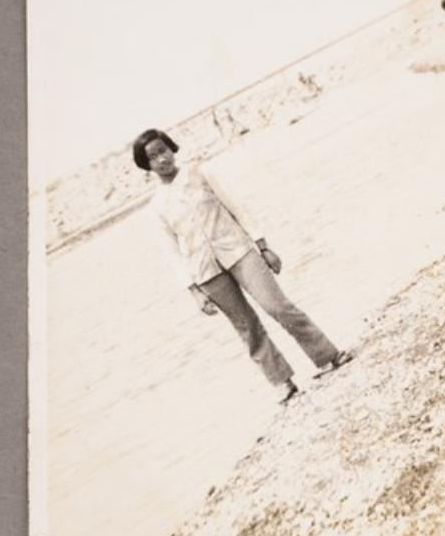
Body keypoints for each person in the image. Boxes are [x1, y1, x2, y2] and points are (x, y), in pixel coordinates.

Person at [133, 128, 352, 404]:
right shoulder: (156, 207)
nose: (162, 159)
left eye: (163, 150)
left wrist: (263, 246)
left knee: (278, 306)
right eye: (153, 157)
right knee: (247, 327)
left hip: (239, 251)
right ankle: (282, 382)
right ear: (147, 165)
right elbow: (172, 253)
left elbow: (237, 208)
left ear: (171, 148)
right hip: (206, 273)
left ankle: (328, 356)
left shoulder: (200, 172)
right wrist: (194, 291)